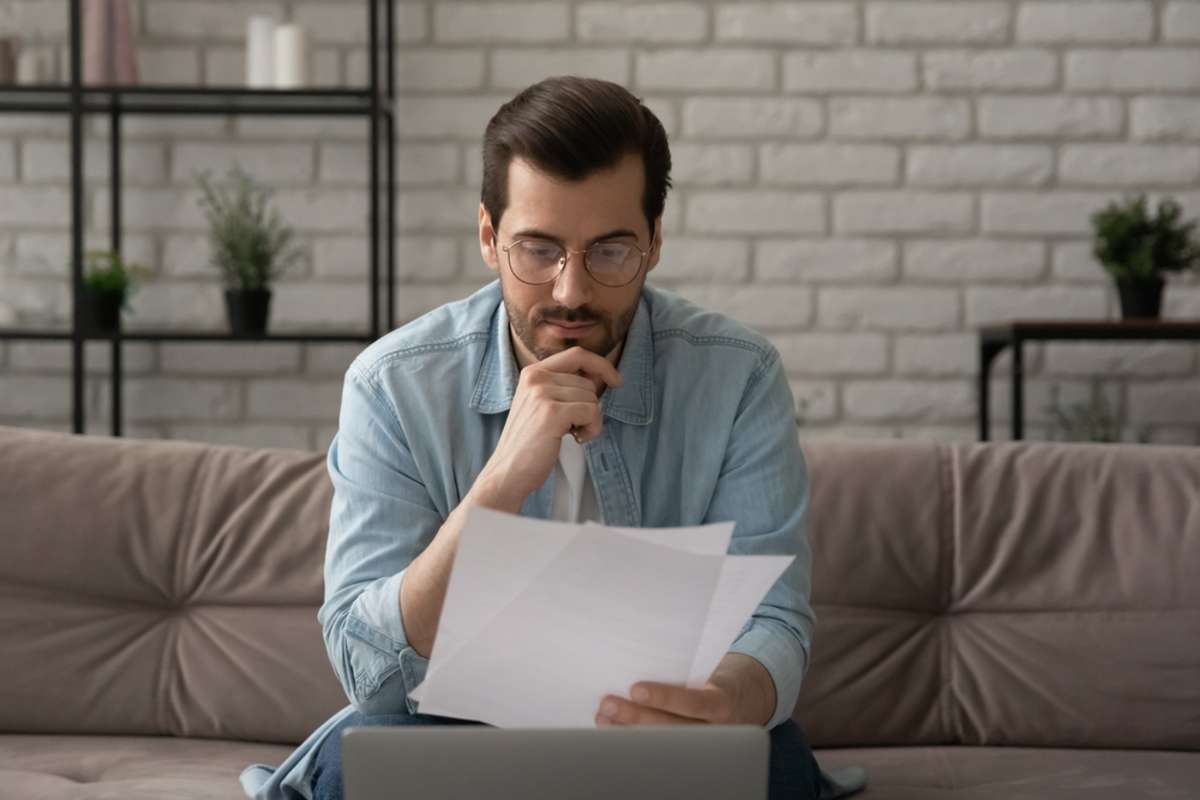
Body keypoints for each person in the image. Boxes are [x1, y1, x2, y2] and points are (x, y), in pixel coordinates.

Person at [240, 75, 853, 800]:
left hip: (658, 734)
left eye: (610, 251)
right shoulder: (391, 385)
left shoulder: (739, 376)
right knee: (354, 761)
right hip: (453, 731)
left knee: (771, 764)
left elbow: (773, 620)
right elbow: (368, 671)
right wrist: (499, 487)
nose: (570, 291)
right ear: (488, 237)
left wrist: (725, 705)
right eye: (538, 250)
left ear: (655, 241)